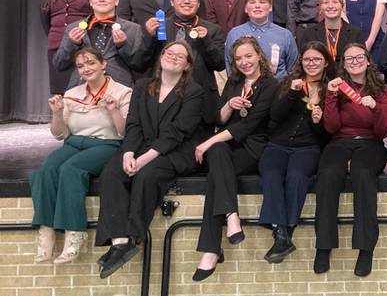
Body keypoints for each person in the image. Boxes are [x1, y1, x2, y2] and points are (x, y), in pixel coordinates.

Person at [94, 41, 204, 278]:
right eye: (169, 53)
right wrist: (128, 153)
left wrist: (143, 160)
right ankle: (120, 241)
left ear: (187, 66)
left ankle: (134, 235)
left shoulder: (194, 92)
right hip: (141, 146)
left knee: (146, 175)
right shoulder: (143, 86)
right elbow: (133, 124)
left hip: (176, 151)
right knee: (112, 172)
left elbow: (176, 133)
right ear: (161, 56)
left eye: (180, 56)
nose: (173, 57)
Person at [30, 47, 131, 264]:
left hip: (106, 144)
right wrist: (57, 113)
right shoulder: (72, 94)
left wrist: (113, 110)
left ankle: (74, 233)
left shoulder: (123, 92)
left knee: (71, 170)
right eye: (81, 66)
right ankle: (46, 231)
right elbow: (60, 134)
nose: (86, 69)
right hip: (75, 143)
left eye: (91, 63)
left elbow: (124, 132)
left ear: (103, 64)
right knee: (44, 171)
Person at [192, 37, 278, 281]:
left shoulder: (271, 85)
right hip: (228, 146)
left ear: (259, 55)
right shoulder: (233, 81)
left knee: (216, 169)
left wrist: (207, 142)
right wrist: (229, 104)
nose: (244, 62)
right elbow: (219, 119)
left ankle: (211, 249)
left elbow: (249, 125)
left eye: (248, 56)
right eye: (239, 58)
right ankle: (231, 217)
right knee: (218, 156)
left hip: (254, 147)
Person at [314, 43, 387, 277]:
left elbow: (383, 131)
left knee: (362, 174)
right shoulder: (337, 88)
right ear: (344, 64)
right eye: (349, 58)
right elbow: (331, 126)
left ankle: (366, 247)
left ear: (368, 60)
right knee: (327, 175)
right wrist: (329, 96)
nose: (354, 61)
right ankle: (324, 246)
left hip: (371, 143)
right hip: (339, 142)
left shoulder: (382, 90)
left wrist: (376, 108)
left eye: (359, 57)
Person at [259, 41, 335, 263]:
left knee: (297, 176)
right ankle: (282, 234)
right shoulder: (287, 82)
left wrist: (317, 122)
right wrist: (292, 94)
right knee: (271, 174)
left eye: (317, 60)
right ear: (301, 61)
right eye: (307, 59)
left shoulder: (330, 88)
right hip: (278, 144)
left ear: (325, 62)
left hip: (308, 147)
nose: (312, 64)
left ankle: (282, 234)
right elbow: (274, 117)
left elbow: (326, 133)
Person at [143, 0, 226, 126]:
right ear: (172, 2)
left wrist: (206, 41)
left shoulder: (213, 30)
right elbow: (141, 62)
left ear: (199, 3)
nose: (186, 1)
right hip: (163, 95)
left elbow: (219, 65)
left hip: (201, 99)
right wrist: (149, 36)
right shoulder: (159, 26)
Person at [53, 0, 146, 88]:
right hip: (81, 87)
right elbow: (60, 64)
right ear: (90, 2)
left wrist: (123, 46)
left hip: (118, 89)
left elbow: (140, 65)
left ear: (116, 1)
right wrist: (72, 43)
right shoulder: (73, 28)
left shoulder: (132, 29)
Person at [41, 0, 95, 94]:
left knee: (83, 89)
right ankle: (60, 116)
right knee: (59, 92)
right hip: (57, 47)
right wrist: (58, 36)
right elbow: (45, 20)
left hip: (84, 47)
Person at [225, 0, 297, 77]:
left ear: (270, 7)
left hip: (278, 89)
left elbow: (293, 70)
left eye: (262, 2)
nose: (257, 6)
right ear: (246, 8)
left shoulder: (285, 35)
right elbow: (230, 69)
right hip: (245, 89)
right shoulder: (234, 34)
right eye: (252, 2)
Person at [297, 0, 365, 62]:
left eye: (335, 2)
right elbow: (303, 62)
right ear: (321, 7)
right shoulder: (309, 34)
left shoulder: (356, 33)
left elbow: (362, 61)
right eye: (326, 2)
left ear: (342, 6)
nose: (330, 6)